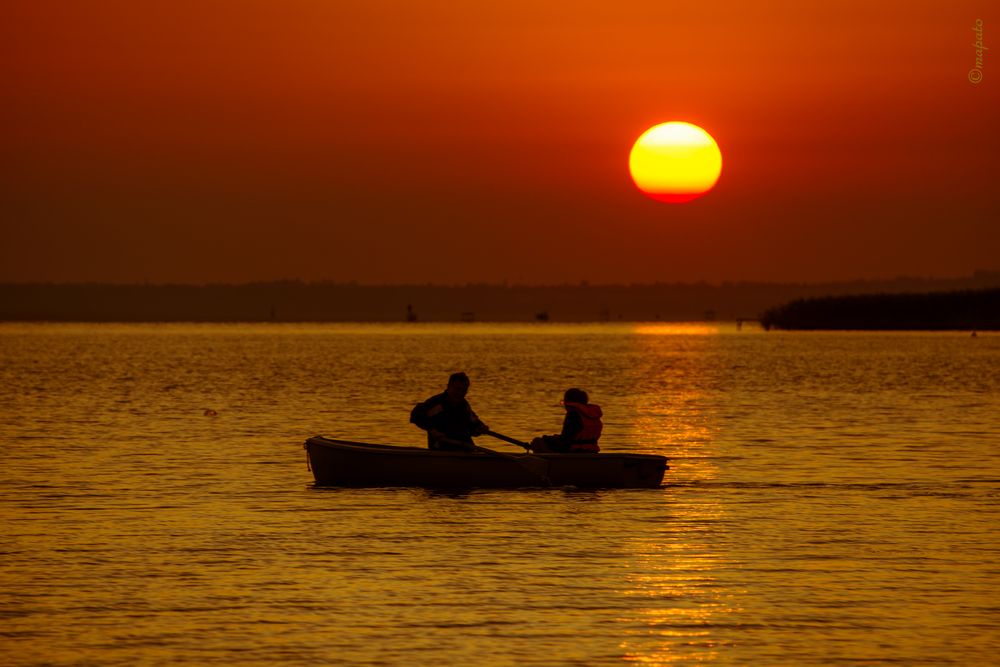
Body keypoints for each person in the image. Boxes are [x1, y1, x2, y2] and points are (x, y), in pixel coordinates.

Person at [410, 372, 490, 451]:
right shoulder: (438, 403)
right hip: (442, 450)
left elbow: (473, 425)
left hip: (466, 450)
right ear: (449, 387)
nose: (460, 393)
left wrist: (481, 428)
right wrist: (432, 430)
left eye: (464, 390)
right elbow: (416, 415)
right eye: (457, 389)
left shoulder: (464, 406)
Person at [531, 388, 603, 453]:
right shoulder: (592, 414)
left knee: (537, 441)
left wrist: (547, 439)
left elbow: (564, 442)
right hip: (592, 451)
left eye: (564, 401)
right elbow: (571, 436)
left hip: (575, 451)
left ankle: (553, 464)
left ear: (569, 402)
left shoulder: (573, 414)